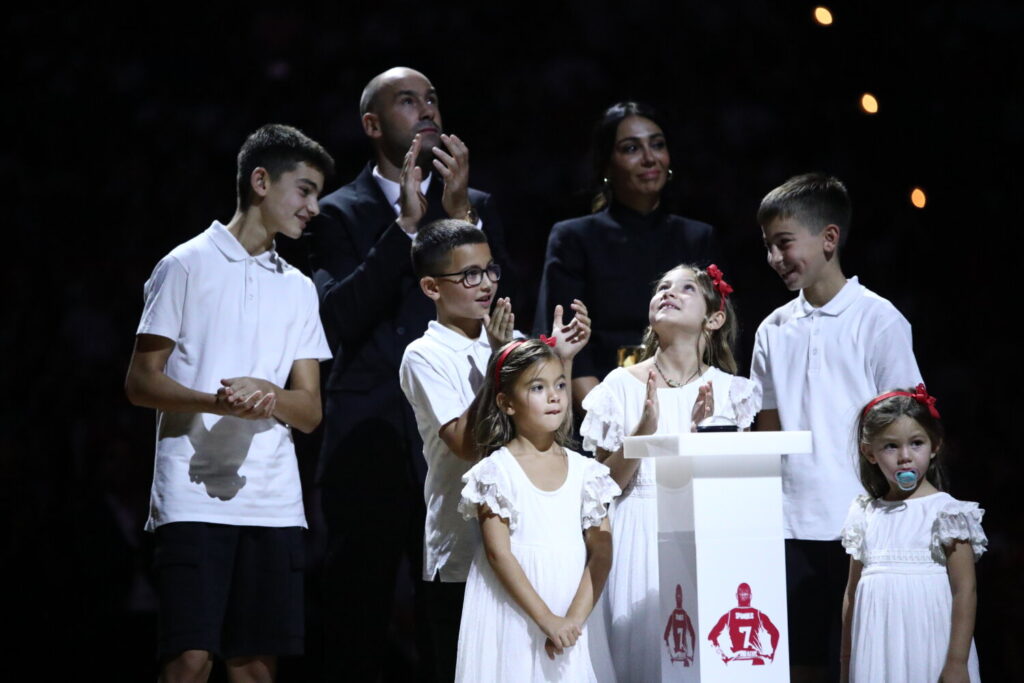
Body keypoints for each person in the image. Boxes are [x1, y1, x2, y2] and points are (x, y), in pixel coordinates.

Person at [305, 66, 513, 680]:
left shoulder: (479, 206)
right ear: (372, 125)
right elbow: (335, 317)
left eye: (432, 99)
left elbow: (505, 314)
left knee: (451, 617)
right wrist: (404, 229)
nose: (426, 109)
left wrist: (457, 216)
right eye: (406, 101)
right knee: (355, 616)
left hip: (457, 443)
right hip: (367, 439)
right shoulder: (337, 213)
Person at [124, 124, 334, 682]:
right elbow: (141, 382)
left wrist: (268, 396)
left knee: (255, 669)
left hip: (273, 502)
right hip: (190, 498)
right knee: (190, 661)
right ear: (260, 181)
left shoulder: (300, 287)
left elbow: (309, 411)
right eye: (305, 190)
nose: (314, 207)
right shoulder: (184, 264)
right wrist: (219, 402)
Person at [400, 218, 591, 680]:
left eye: (490, 270)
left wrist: (562, 359)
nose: (485, 284)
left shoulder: (512, 341)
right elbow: (466, 445)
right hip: (464, 551)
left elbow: (552, 430)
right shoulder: (424, 354)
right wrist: (498, 362)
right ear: (431, 286)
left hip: (532, 547)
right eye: (469, 275)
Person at [751, 173, 924, 682]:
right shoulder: (771, 329)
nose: (775, 259)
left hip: (866, 524)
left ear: (829, 238)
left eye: (785, 244)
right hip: (790, 526)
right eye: (767, 247)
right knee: (800, 661)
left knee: (864, 661)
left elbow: (907, 425)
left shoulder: (879, 319)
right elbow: (768, 430)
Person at [580, 263, 760, 683]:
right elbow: (603, 488)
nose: (669, 292)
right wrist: (644, 432)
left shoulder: (732, 392)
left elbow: (737, 491)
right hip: (635, 531)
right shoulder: (620, 386)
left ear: (713, 318)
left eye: (686, 289)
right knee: (638, 653)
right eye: (662, 287)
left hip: (702, 532)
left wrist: (702, 436)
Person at [534, 101, 716, 411]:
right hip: (599, 405)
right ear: (606, 165)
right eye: (631, 148)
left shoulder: (697, 237)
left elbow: (713, 333)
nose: (649, 158)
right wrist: (604, 416)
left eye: (657, 145)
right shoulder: (574, 238)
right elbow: (567, 342)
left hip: (686, 403)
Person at [455, 339, 619, 682]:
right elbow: (498, 553)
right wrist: (547, 620)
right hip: (517, 611)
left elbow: (601, 550)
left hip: (575, 604)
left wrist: (571, 620)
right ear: (506, 402)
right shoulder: (496, 471)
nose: (555, 395)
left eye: (560, 384)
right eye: (538, 387)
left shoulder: (586, 472)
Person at [840, 386, 986, 682]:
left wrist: (957, 662)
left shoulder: (948, 513)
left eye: (916, 443)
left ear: (934, 446)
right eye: (890, 446)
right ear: (869, 452)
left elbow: (965, 590)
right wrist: (846, 663)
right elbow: (852, 594)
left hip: (932, 648)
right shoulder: (865, 516)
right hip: (877, 654)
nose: (905, 457)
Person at [707, 582, 781, 665]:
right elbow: (775, 633)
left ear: (736, 596)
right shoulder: (758, 614)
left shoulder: (729, 615)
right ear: (751, 596)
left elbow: (711, 637)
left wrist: (723, 656)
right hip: (756, 659)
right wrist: (772, 653)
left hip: (736, 660)